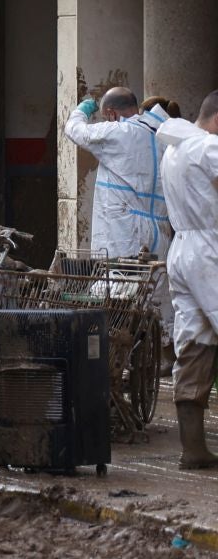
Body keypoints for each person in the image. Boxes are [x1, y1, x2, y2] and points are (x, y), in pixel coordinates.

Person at [160, 90, 218, 469]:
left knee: (195, 339)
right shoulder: (207, 147)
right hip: (210, 250)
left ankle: (193, 449)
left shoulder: (173, 149)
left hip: (181, 250)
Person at [64, 86, 174, 258]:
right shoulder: (162, 136)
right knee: (155, 282)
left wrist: (81, 110)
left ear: (111, 114)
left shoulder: (118, 132)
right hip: (160, 233)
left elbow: (74, 130)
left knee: (118, 283)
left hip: (125, 235)